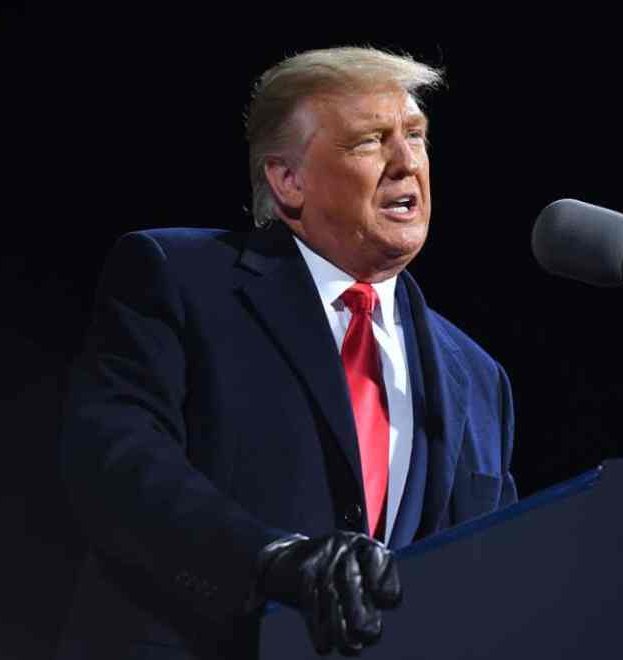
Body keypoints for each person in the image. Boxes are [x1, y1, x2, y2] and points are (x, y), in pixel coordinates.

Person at [55, 47, 517, 660]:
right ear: (288, 180)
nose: (406, 162)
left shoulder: (480, 379)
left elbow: (503, 569)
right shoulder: (178, 279)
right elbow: (118, 466)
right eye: (368, 142)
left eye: (415, 135)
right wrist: (271, 561)